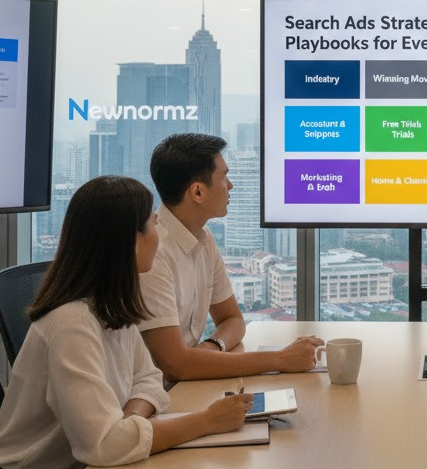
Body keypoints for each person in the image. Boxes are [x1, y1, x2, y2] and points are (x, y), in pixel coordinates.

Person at [0, 176, 253, 469]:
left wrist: (128, 422)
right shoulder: (71, 324)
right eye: (152, 225)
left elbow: (148, 381)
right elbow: (104, 445)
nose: (157, 237)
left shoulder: (108, 304)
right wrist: (206, 421)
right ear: (132, 242)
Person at [138, 133, 322, 382]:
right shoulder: (153, 255)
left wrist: (211, 348)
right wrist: (279, 359)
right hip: (157, 400)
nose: (230, 185)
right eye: (223, 176)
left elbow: (233, 319)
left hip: (188, 386)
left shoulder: (203, 238)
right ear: (198, 192)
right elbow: (176, 366)